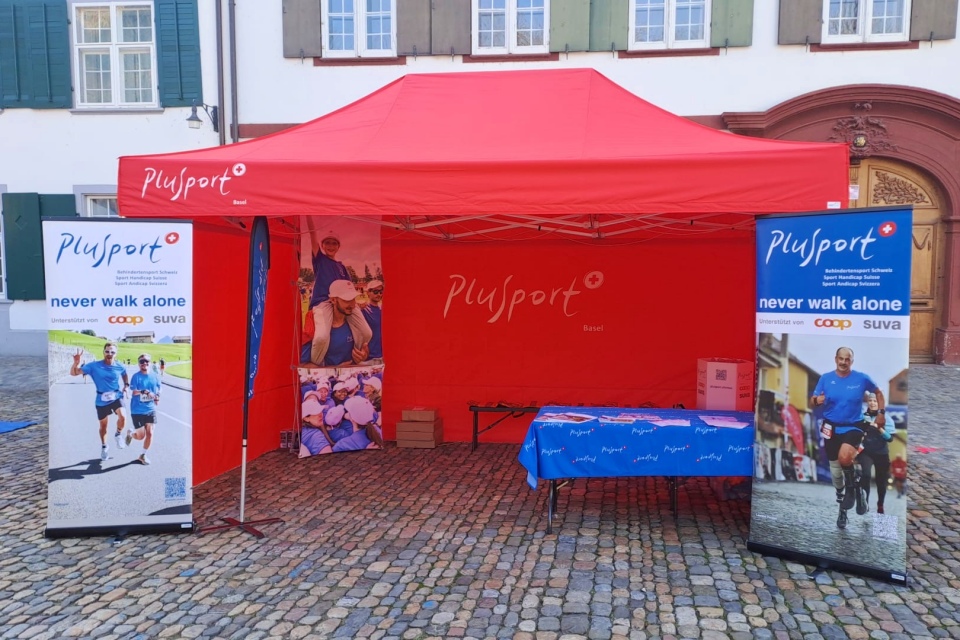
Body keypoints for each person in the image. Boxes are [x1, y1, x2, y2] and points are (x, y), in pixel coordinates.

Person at [811, 346, 886, 529]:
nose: (844, 362)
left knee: (845, 457)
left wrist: (881, 413)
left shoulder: (861, 379)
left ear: (852, 361)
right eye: (841, 358)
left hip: (854, 426)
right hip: (831, 427)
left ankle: (852, 489)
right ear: (835, 358)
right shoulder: (826, 379)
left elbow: (879, 392)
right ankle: (845, 506)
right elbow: (812, 401)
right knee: (836, 473)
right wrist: (816, 401)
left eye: (848, 359)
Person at [70, 342, 129, 461]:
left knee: (123, 416)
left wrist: (126, 385)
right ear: (103, 352)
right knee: (103, 426)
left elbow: (124, 374)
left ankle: (118, 434)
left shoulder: (120, 366)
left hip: (116, 396)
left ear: (116, 353)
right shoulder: (93, 366)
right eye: (107, 351)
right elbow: (74, 373)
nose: (109, 354)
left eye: (112, 352)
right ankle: (104, 446)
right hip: (101, 399)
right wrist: (75, 363)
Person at [301, 279, 372, 366]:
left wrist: (364, 355)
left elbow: (365, 352)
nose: (353, 305)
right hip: (326, 379)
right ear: (333, 300)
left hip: (353, 377)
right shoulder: (316, 326)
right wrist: (336, 370)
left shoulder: (356, 324)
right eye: (347, 300)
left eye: (353, 299)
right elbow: (304, 365)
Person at [857, 393, 894, 514]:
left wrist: (879, 428)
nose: (872, 403)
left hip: (881, 453)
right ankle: (865, 502)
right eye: (871, 400)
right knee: (866, 475)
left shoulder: (887, 419)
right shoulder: (863, 416)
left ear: (880, 404)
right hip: (866, 451)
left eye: (875, 401)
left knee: (881, 480)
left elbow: (890, 438)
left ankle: (880, 504)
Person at [126, 353, 161, 465]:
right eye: (142, 362)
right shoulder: (136, 376)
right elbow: (134, 391)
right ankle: (131, 434)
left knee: (150, 433)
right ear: (139, 364)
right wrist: (144, 391)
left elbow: (159, 389)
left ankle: (143, 455)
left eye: (146, 361)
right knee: (141, 436)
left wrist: (157, 397)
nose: (144, 363)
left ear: (149, 362)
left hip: (150, 408)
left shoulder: (155, 376)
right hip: (137, 410)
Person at [305, 222, 349, 309]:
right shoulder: (320, 259)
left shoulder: (342, 267)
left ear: (338, 246)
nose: (331, 246)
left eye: (334, 243)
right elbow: (312, 233)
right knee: (322, 322)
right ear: (322, 245)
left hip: (338, 305)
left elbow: (348, 288)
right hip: (322, 303)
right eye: (327, 243)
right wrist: (308, 212)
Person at [362, 279, 383, 360]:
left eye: (381, 292)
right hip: (369, 358)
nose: (379, 294)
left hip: (382, 356)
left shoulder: (383, 310)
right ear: (368, 292)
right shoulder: (363, 310)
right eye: (375, 292)